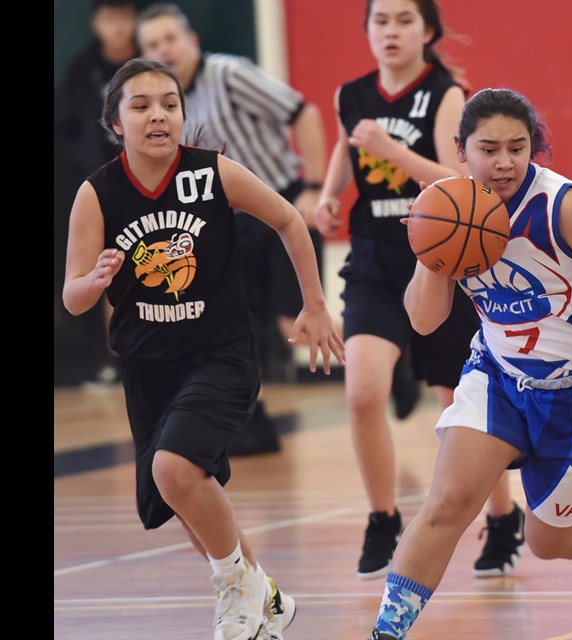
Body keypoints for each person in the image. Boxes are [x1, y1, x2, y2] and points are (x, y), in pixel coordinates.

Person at [366, 87, 572, 640]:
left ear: (535, 147)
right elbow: (424, 321)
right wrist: (431, 249)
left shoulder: (566, 207)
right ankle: (387, 631)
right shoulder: (447, 205)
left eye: (518, 147)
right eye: (489, 149)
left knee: (547, 541)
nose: (505, 161)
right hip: (499, 377)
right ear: (461, 150)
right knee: (446, 504)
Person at [61, 58, 345, 640]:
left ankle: (235, 598)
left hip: (221, 356)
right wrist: (94, 281)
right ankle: (264, 595)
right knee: (188, 499)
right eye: (140, 105)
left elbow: (291, 220)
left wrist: (314, 304)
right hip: (147, 367)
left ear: (184, 115)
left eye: (169, 103)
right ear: (115, 122)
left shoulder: (212, 174)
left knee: (175, 470)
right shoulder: (97, 193)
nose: (158, 114)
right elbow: (72, 297)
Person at [314, 0, 524, 581]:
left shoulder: (445, 93)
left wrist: (391, 152)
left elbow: (459, 180)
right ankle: (382, 517)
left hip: (441, 259)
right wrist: (331, 192)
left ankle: (504, 517)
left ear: (426, 30)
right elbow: (345, 144)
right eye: (380, 20)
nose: (391, 31)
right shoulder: (350, 94)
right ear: (367, 30)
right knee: (361, 394)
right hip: (375, 261)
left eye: (404, 20)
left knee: (459, 405)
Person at [136, 2, 329, 453]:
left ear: (192, 42)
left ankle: (386, 364)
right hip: (224, 226)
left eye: (170, 39)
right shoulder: (157, 110)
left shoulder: (229, 74)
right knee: (228, 325)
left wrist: (315, 188)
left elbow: (305, 114)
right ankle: (250, 424)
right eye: (152, 45)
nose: (163, 50)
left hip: (281, 204)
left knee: (291, 320)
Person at [54, 0, 139, 386]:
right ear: (96, 23)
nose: (118, 26)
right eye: (109, 18)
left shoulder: (149, 64)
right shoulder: (82, 71)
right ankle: (119, 359)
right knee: (109, 268)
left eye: (124, 16)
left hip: (150, 177)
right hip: (103, 184)